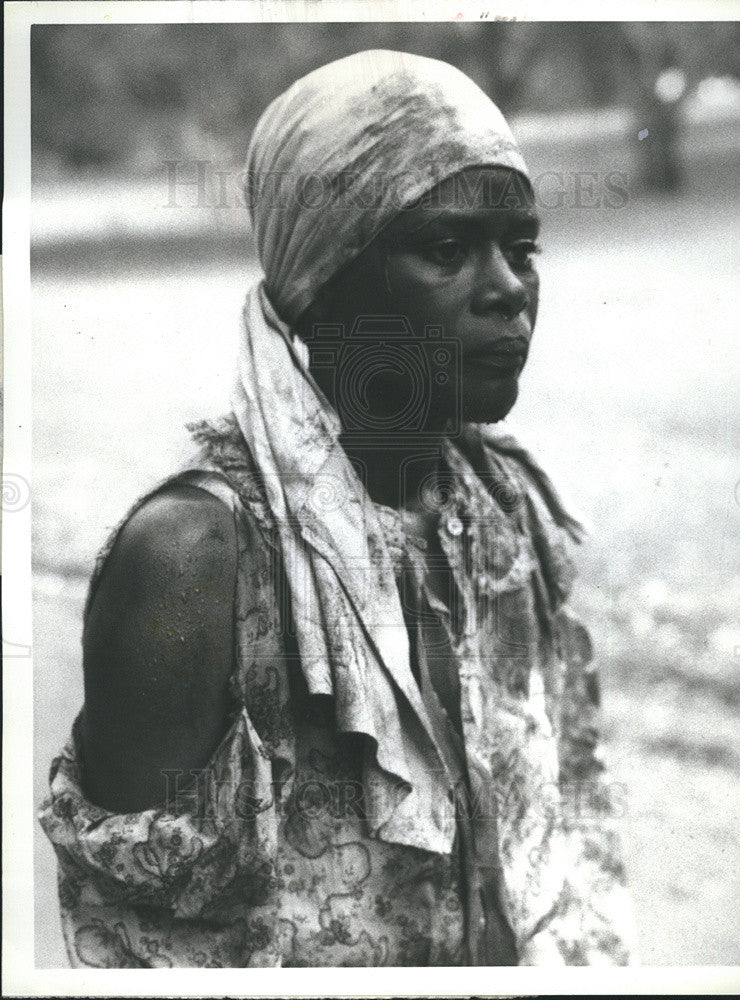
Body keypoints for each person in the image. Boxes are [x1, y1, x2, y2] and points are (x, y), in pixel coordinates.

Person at [39, 49, 635, 968]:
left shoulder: (501, 513)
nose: (508, 289)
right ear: (323, 279)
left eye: (521, 251)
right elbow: (136, 949)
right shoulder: (196, 562)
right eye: (445, 250)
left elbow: (565, 839)